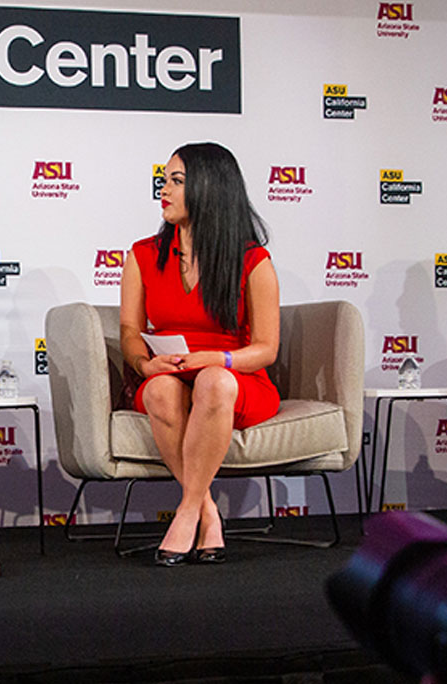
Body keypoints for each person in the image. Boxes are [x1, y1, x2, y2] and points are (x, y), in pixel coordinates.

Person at [119, 142, 281, 566]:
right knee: (159, 390)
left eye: (176, 181)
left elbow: (266, 349)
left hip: (235, 379)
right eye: (164, 180)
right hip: (169, 374)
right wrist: (144, 364)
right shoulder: (142, 255)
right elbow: (130, 331)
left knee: (213, 381)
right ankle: (206, 511)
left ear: (210, 188)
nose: (164, 190)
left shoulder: (252, 260)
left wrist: (217, 359)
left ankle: (187, 511)